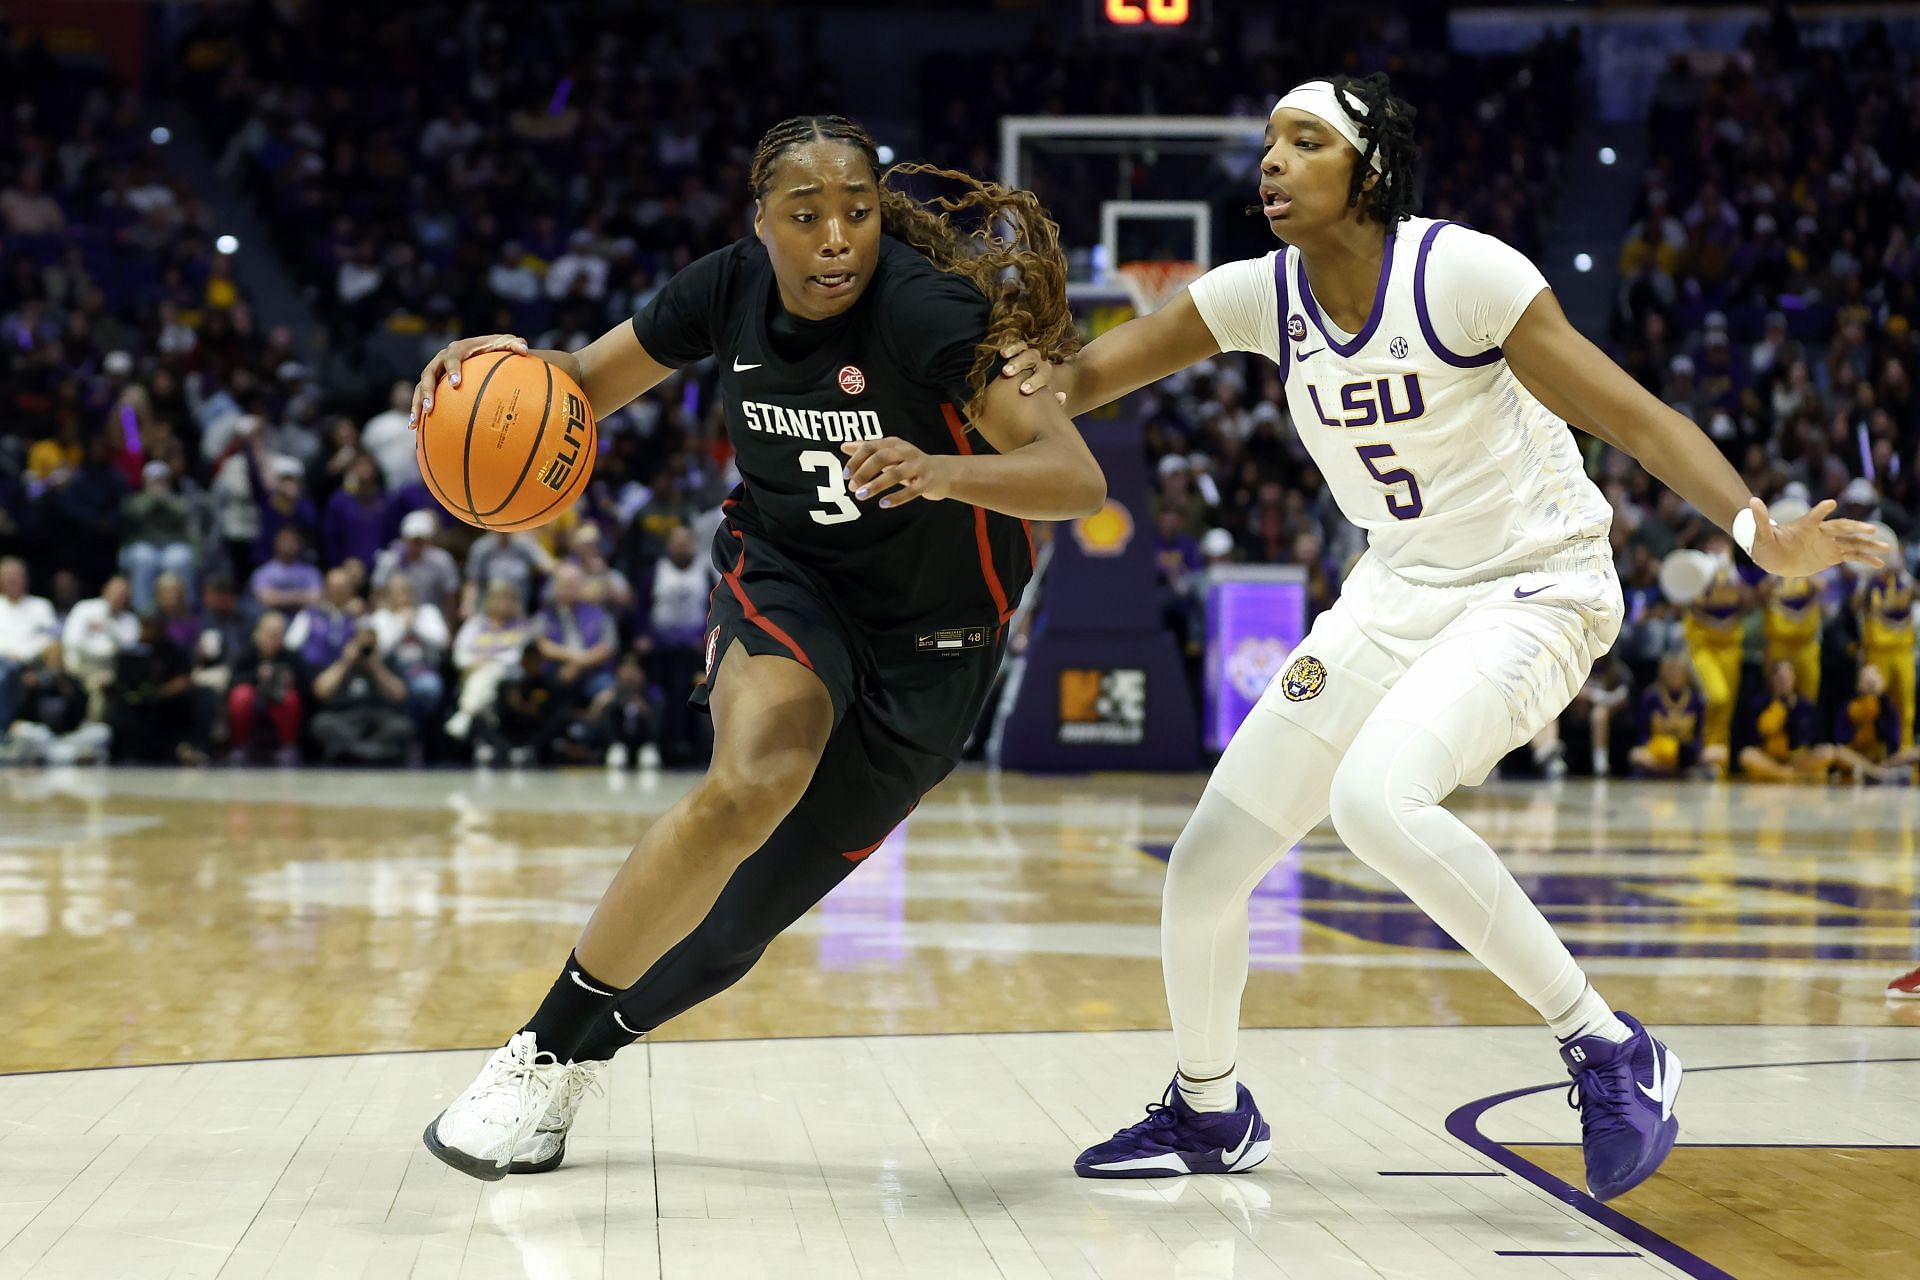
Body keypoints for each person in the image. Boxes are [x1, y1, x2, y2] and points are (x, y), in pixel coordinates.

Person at [999, 73, 1887, 1199]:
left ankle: (1612, 1047)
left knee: (1378, 799)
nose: (1272, 160)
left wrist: (1759, 531)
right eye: (1269, 140)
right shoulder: (1255, 294)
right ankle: (1210, 1106)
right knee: (1207, 863)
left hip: (1536, 584)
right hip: (1394, 591)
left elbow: (1635, 416)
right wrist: (1013, 367)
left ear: (1366, 170)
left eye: (1305, 140)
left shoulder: (1461, 272)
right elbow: (1078, 385)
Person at [414, 113, 1102, 1181]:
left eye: (858, 213)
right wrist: (486, 366)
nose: (836, 238)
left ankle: (573, 1065)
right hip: (790, 577)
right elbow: (581, 385)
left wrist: (941, 468)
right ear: (761, 222)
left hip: (937, 645)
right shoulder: (723, 288)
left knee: (732, 932)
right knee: (752, 777)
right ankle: (534, 1049)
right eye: (806, 214)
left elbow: (1074, 477)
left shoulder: (929, 312)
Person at [639, 524, 713, 765]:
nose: (681, 546)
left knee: (693, 692)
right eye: (676, 541)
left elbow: (716, 606)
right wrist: (643, 635)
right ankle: (664, 746)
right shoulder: (655, 571)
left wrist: (708, 637)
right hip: (661, 649)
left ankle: (695, 747)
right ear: (668, 545)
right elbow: (642, 606)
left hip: (695, 648)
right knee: (667, 697)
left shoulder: (704, 571)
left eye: (685, 541)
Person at [1736, 658, 1878, 782]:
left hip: (1797, 760)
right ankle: (1785, 775)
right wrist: (1776, 712)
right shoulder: (1760, 704)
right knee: (1747, 755)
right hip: (1770, 760)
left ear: (1793, 679)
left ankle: (1876, 773)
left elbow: (1810, 740)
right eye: (1779, 679)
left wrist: (1792, 714)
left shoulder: (1804, 705)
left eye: (1786, 678)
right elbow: (1753, 738)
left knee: (1829, 751)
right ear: (1772, 680)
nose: (1783, 682)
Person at [308, 621, 416, 765]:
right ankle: (373, 753)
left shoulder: (386, 662)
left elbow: (399, 695)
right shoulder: (340, 662)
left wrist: (376, 667)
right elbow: (320, 691)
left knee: (403, 726)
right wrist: (345, 662)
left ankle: (352, 752)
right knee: (322, 723)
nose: (365, 650)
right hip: (345, 718)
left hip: (378, 718)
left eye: (370, 645)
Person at [447, 581, 533, 743]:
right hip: (473, 671)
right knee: (484, 678)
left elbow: (518, 656)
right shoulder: (475, 624)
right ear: (489, 600)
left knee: (491, 671)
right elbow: (459, 655)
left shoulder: (521, 626)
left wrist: (491, 658)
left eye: (509, 599)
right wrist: (475, 661)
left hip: (508, 675)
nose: (504, 604)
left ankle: (466, 714)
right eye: (499, 599)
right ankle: (484, 730)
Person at [368, 573, 449, 727]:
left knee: (428, 688)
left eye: (405, 591)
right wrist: (401, 625)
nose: (402, 596)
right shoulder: (381, 617)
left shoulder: (428, 612)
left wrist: (416, 624)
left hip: (423, 668)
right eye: (396, 592)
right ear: (388, 595)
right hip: (391, 672)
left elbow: (442, 642)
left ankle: (415, 729)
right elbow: (380, 649)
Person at [1627, 651, 1725, 778]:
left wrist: (1690, 752)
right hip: (1658, 752)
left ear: (1686, 674)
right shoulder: (1650, 696)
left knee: (1720, 752)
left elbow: (1699, 735)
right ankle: (1679, 773)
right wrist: (1659, 749)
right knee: (1636, 755)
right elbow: (1643, 734)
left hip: (1686, 754)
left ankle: (1671, 772)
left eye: (1678, 670)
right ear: (1662, 672)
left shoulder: (1696, 699)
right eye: (1670, 670)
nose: (1674, 675)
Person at [119, 460, 199, 614]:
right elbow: (132, 515)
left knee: (180, 559)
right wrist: (151, 499)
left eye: (161, 480)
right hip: (142, 545)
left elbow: (185, 515)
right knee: (144, 559)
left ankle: (182, 613)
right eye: (154, 480)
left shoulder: (177, 500)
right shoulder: (136, 500)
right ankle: (144, 613)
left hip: (171, 545)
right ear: (145, 481)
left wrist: (165, 499)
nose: (158, 484)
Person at [226, 611, 303, 764]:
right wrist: (256, 676)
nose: (274, 639)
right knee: (241, 696)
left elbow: (307, 690)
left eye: (279, 634)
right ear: (257, 633)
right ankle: (239, 746)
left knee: (290, 698)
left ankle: (287, 747)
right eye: (270, 634)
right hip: (252, 700)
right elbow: (231, 684)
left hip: (279, 702)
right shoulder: (246, 655)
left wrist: (290, 681)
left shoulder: (291, 657)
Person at [534, 563, 617, 701]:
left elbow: (608, 646)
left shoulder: (599, 613)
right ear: (555, 586)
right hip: (556, 669)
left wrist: (578, 665)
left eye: (573, 584)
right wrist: (572, 657)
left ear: (581, 586)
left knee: (608, 689)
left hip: (593, 671)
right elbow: (542, 645)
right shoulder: (545, 615)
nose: (568, 589)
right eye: (564, 584)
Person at [1855, 559, 1915, 750]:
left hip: (1903, 651)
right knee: (1873, 703)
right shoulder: (1870, 580)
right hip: (1877, 651)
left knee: (1906, 705)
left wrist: (1904, 576)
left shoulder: (1906, 581)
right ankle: (1874, 750)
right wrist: (1869, 577)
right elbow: (1854, 605)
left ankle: (1905, 752)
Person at [0, 557, 60, 732]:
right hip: (3, 661)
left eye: (15, 575)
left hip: (33, 665)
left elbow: (53, 642)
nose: (11, 579)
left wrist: (33, 662)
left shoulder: (40, 606)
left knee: (9, 672)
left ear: (25, 579)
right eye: (7, 575)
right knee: (6, 670)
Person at [373, 510, 461, 619]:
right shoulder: (389, 561)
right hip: (393, 616)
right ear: (404, 538)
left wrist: (449, 627)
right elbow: (377, 593)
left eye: (421, 540)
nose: (417, 544)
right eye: (414, 540)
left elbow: (450, 595)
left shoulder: (442, 561)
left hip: (430, 616)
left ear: (429, 539)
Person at [1761, 574, 1823, 701]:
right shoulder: (1773, 566)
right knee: (1776, 696)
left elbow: (1822, 587)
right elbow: (1761, 593)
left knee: (1808, 700)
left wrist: (1801, 569)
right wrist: (1777, 571)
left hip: (1806, 646)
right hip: (1780, 646)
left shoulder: (1809, 566)